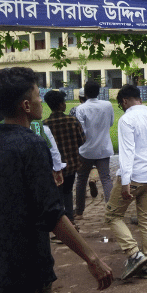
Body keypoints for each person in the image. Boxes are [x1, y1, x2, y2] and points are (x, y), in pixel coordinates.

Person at [0, 67, 114, 293]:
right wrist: (92, 258)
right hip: (25, 269)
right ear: (26, 105)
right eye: (37, 96)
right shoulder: (32, 146)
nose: (40, 101)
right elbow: (51, 214)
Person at [106, 84, 147, 280]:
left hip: (133, 178)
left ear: (124, 101)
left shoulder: (127, 119)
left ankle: (134, 254)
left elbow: (126, 153)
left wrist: (125, 183)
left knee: (112, 215)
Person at [43, 90, 86, 228]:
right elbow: (82, 140)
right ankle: (70, 219)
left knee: (57, 193)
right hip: (72, 164)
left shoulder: (44, 124)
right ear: (62, 105)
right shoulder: (72, 121)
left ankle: (61, 222)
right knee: (68, 191)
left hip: (54, 167)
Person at [72, 81, 114, 219]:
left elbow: (81, 130)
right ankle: (111, 211)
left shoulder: (81, 108)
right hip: (103, 148)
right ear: (99, 91)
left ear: (85, 92)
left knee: (81, 180)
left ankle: (79, 212)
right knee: (106, 179)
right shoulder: (107, 105)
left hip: (86, 150)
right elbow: (111, 122)